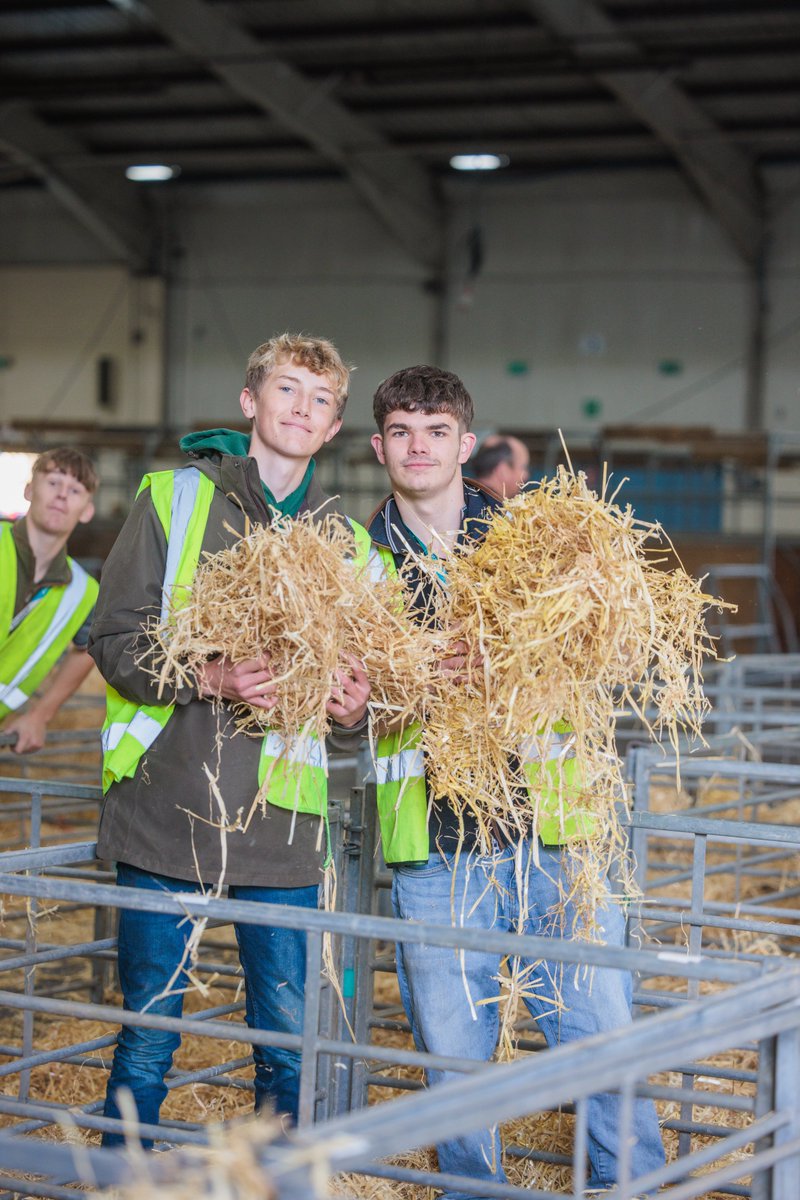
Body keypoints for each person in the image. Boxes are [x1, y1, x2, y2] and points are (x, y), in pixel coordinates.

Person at [367, 365, 665, 1199]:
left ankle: (630, 1186)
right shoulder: (356, 561)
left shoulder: (536, 541)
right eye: (401, 431)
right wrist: (411, 676)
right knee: (458, 1068)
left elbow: (616, 651)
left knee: (602, 1038)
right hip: (435, 847)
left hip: (552, 834)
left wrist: (516, 654)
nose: (418, 447)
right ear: (379, 445)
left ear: (467, 444)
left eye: (436, 432)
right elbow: (344, 704)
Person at [89, 333, 370, 1146]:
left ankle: (278, 1177)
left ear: (334, 427)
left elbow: (356, 687)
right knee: (148, 1033)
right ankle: (123, 1179)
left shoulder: (342, 544)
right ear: (251, 402)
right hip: (168, 806)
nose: (301, 409)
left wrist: (351, 703)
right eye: (287, 390)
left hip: (280, 825)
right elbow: (113, 638)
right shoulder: (175, 499)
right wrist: (210, 678)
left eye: (320, 400)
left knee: (285, 1035)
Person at [1, 448, 99, 753]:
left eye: (75, 490)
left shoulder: (84, 592)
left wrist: (40, 715)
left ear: (86, 511)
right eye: (53, 482)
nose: (62, 495)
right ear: (29, 490)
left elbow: (87, 650)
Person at [467, 433, 530, 497]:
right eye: (523, 467)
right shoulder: (495, 505)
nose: (526, 475)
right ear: (503, 470)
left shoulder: (464, 498)